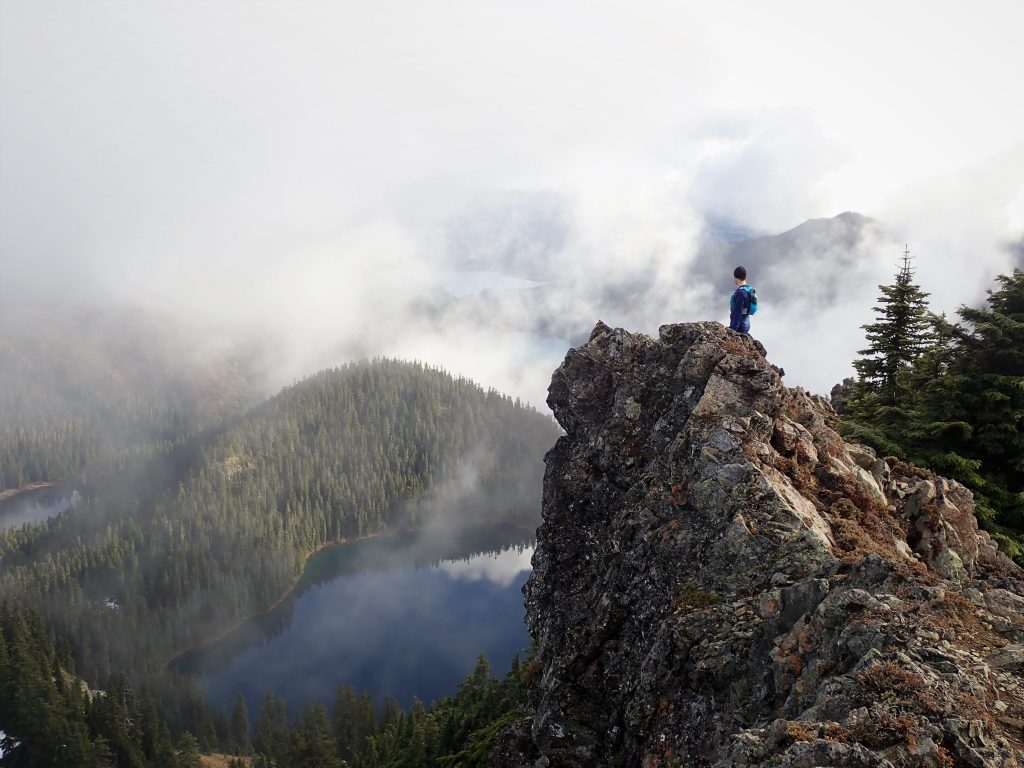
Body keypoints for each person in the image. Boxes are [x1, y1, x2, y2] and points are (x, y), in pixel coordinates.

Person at [729, 266, 754, 334]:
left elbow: (738, 312)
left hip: (740, 327)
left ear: (736, 278)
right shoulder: (749, 289)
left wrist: (732, 329)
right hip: (747, 324)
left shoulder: (740, 293)